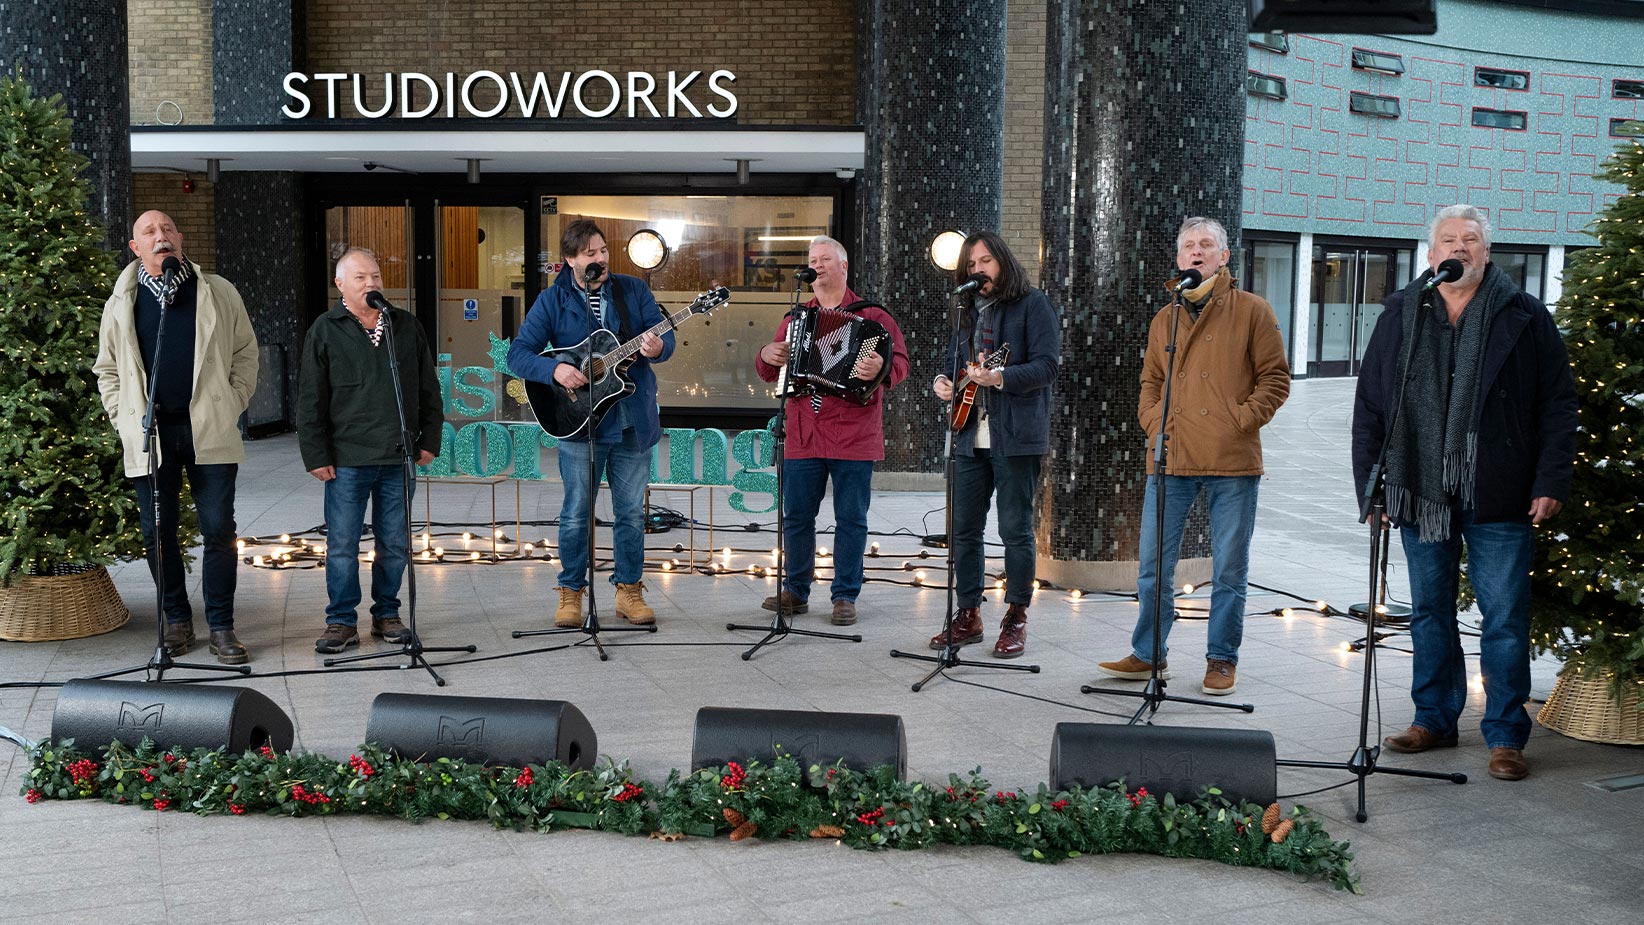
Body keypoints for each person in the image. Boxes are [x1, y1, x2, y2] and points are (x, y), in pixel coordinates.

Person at [1352, 204, 1576, 781]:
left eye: (1470, 240)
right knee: (1429, 610)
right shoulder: (1402, 313)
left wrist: (1550, 479)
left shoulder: (1523, 315)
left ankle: (1505, 735)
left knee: (1503, 616)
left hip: (1500, 490)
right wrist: (1372, 489)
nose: (1459, 248)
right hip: (1418, 488)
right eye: (1448, 240)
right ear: (1431, 254)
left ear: (1486, 251)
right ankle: (1434, 718)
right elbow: (1373, 407)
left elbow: (1557, 404)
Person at [1096, 217, 1291, 695]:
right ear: (1179, 259)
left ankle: (1221, 658)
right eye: (1188, 247)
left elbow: (1275, 380)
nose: (1197, 253)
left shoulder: (1252, 310)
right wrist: (1153, 421)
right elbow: (1150, 383)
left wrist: (1239, 420)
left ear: (1225, 257)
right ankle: (1148, 653)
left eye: (1207, 245)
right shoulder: (1167, 316)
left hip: (1233, 459)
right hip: (1171, 454)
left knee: (1229, 568)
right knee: (1153, 565)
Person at [94, 210, 259, 664]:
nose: (160, 237)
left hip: (208, 428)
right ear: (135, 248)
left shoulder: (217, 291)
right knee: (157, 532)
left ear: (181, 239)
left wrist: (231, 400)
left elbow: (246, 352)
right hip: (152, 434)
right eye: (149, 232)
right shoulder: (120, 302)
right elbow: (107, 370)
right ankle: (177, 620)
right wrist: (124, 419)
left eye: (167, 230)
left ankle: (222, 627)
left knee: (219, 530)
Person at [508, 219, 674, 627]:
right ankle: (570, 593)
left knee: (632, 512)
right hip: (578, 422)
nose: (600, 259)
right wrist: (555, 372)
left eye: (603, 251)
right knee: (576, 511)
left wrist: (657, 347)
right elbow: (518, 354)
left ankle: (629, 591)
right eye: (590, 254)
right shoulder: (553, 299)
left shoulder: (632, 290)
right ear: (570, 260)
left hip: (632, 420)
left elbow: (665, 342)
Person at [755, 235, 909, 625]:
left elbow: (902, 363)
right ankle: (795, 590)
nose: (817, 265)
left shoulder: (873, 316)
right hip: (804, 430)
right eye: (812, 260)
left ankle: (845, 595)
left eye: (825, 259)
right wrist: (765, 355)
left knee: (851, 518)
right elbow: (770, 370)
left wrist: (882, 369)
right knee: (796, 516)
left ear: (843, 267)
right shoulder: (794, 318)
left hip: (853, 431)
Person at [297, 248, 443, 654]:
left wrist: (430, 439)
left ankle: (387, 613)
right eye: (360, 278)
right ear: (340, 284)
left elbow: (428, 387)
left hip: (398, 455)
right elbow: (310, 397)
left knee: (394, 542)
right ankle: (341, 620)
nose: (371, 284)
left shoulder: (405, 326)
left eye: (376, 276)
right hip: (346, 458)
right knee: (343, 543)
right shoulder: (325, 330)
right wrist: (316, 453)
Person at [927, 231, 1060, 658]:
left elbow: (1047, 366)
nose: (978, 270)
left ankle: (1016, 616)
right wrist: (943, 382)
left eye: (985, 261)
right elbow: (953, 361)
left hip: (1017, 436)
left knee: (1014, 530)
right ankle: (968, 613)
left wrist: (1000, 377)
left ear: (1002, 261)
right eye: (971, 264)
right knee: (964, 529)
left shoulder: (1032, 304)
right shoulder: (966, 310)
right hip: (968, 433)